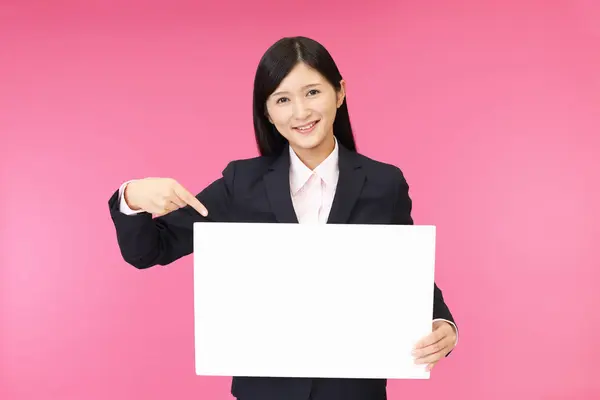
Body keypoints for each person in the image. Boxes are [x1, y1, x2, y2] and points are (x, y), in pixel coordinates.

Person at [108, 36, 458, 400]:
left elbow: (404, 274)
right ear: (268, 113)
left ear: (339, 93)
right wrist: (131, 196)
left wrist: (442, 323)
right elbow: (150, 250)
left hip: (354, 392)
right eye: (282, 99)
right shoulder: (240, 184)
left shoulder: (385, 183)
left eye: (312, 92)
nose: (300, 113)